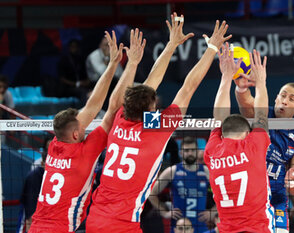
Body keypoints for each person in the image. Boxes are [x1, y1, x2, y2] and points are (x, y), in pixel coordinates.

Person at [86, 13, 231, 233]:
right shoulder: (158, 127)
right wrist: (211, 49)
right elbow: (187, 88)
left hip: (95, 219)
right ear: (151, 110)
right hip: (123, 225)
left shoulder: (120, 118)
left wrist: (172, 44)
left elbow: (148, 86)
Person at [28, 28, 145, 233]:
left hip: (37, 226)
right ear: (75, 134)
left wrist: (111, 64)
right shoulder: (84, 153)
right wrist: (129, 64)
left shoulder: (55, 146)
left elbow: (91, 107)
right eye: (81, 126)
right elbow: (109, 110)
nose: (86, 122)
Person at [204, 46, 274, 232]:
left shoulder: (212, 152)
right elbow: (261, 114)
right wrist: (261, 82)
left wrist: (226, 77)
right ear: (246, 135)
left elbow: (219, 117)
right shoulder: (253, 147)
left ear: (222, 134)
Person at [235, 56, 294, 233]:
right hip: (251, 193)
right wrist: (241, 88)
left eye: (291, 99)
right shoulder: (261, 112)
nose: (284, 101)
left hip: (277, 197)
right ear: (276, 98)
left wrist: (291, 182)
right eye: (282, 96)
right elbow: (245, 103)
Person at [149, 136, 215, 233]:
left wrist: (213, 211)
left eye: (193, 150)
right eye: (186, 150)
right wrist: (165, 213)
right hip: (178, 228)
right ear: (181, 153)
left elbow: (224, 193)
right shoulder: (172, 171)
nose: (190, 153)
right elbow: (151, 194)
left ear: (197, 152)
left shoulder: (206, 172)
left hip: (200, 226)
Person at [19, 137, 53, 232]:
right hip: (32, 209)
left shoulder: (60, 173)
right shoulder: (34, 177)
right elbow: (30, 215)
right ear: (42, 164)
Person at [57, 39, 90, 105]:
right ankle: (86, 111)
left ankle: (98, 111)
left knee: (93, 90)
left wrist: (86, 82)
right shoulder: (64, 61)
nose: (74, 49)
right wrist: (76, 84)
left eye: (76, 47)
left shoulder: (81, 60)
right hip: (67, 88)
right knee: (82, 92)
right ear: (69, 48)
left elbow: (86, 76)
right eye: (72, 47)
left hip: (81, 86)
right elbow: (62, 79)